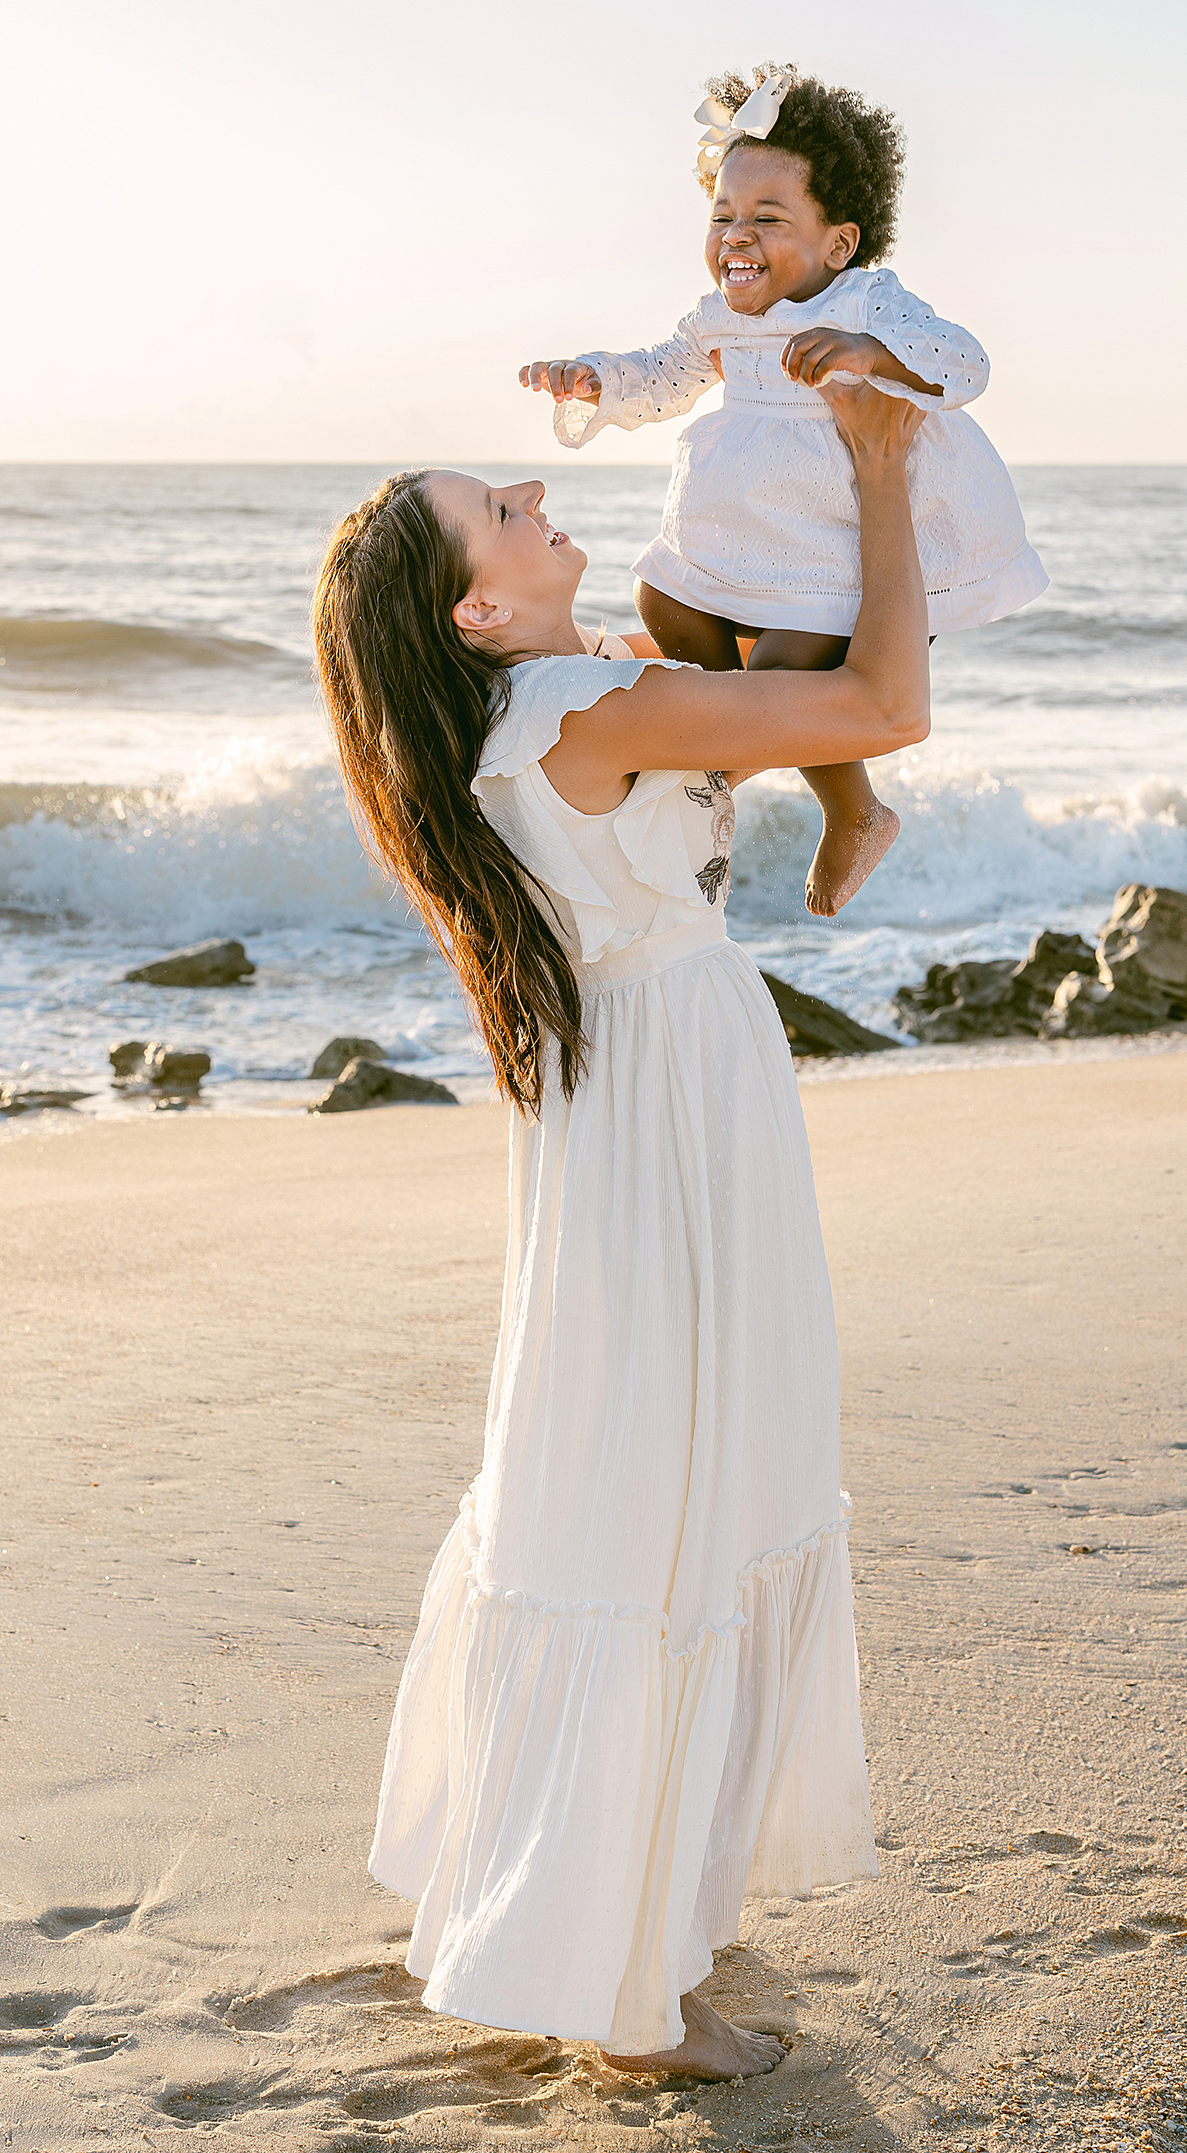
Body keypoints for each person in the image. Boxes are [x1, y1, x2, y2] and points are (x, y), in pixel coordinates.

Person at [310, 378, 930, 2075]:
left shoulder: (519, 720)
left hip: (632, 1103)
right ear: (478, 609)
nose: (526, 487)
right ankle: (620, 1990)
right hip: (672, 1108)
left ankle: (596, 1914)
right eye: (495, 511)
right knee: (673, 1489)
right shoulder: (580, 705)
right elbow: (881, 699)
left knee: (625, 1477)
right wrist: (876, 471)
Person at [520, 63, 1045, 917]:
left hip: (837, 539)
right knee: (665, 599)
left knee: (781, 671)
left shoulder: (869, 301)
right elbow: (666, 375)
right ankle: (725, 756)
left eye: (767, 218)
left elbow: (965, 363)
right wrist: (594, 380)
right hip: (749, 523)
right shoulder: (719, 318)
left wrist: (871, 354)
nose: (736, 235)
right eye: (722, 215)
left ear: (837, 243)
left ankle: (831, 809)